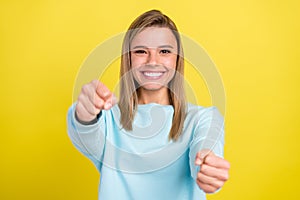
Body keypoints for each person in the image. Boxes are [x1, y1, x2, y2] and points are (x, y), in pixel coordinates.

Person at [67, 9, 230, 200]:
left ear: (177, 60)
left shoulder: (203, 119)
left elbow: (205, 148)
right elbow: (84, 131)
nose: (153, 61)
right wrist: (85, 113)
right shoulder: (108, 119)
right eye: (141, 51)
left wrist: (208, 167)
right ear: (128, 59)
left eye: (164, 51)